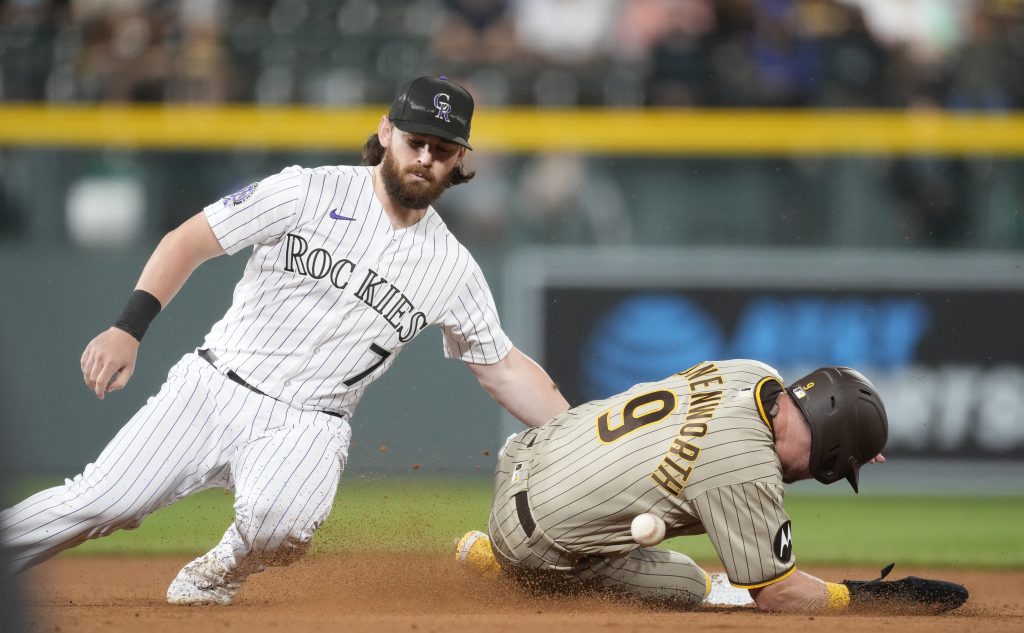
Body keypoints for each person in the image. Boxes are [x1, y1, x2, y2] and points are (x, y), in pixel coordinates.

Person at [1, 75, 570, 605]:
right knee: (101, 502)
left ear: (459, 160)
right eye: (416, 140)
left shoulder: (453, 266)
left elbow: (503, 368)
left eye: (442, 149)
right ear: (385, 131)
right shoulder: (306, 190)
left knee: (284, 531)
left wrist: (583, 433)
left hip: (311, 422)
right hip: (214, 387)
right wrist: (127, 327)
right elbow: (188, 241)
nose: (425, 158)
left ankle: (217, 571)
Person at [456, 359, 968, 613]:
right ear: (832, 452)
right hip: (531, 540)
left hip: (528, 452)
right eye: (835, 467)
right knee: (686, 585)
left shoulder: (751, 373)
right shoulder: (744, 466)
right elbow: (779, 595)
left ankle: (502, 548)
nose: (824, 477)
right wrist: (867, 598)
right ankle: (499, 562)